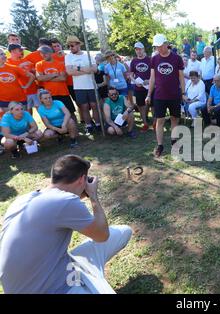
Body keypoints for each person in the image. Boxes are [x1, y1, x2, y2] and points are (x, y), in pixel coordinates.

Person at [0, 154, 132, 293]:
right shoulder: (65, 201)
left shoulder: (22, 199)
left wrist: (78, 193)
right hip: (55, 289)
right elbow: (102, 235)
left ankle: (89, 280)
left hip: (37, 279)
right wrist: (92, 195)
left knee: (123, 232)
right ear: (82, 180)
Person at [145, 34, 185, 158]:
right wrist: (148, 94)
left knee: (174, 119)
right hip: (159, 95)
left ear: (166, 43)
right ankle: (160, 145)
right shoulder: (154, 59)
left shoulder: (177, 58)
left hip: (174, 95)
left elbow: (181, 77)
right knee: (160, 120)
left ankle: (174, 142)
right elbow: (152, 78)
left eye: (161, 45)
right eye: (157, 46)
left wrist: (183, 93)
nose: (159, 48)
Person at [64, 36, 100, 136]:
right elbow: (70, 72)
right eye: (68, 46)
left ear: (78, 44)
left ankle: (98, 124)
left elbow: (94, 69)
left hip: (91, 85)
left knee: (94, 106)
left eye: (72, 45)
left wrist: (78, 68)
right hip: (79, 87)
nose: (70, 48)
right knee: (84, 107)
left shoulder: (88, 54)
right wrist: (86, 70)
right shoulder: (68, 57)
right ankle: (88, 126)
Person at [35, 45, 77, 122]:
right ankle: (56, 129)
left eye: (45, 53)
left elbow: (63, 78)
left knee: (70, 112)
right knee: (52, 113)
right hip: (49, 95)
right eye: (41, 53)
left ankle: (75, 128)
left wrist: (46, 77)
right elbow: (39, 78)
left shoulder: (60, 64)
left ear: (51, 53)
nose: (43, 55)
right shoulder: (39, 64)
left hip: (63, 92)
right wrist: (54, 74)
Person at [6, 44, 39, 114]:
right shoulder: (7, 62)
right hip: (21, 93)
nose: (22, 52)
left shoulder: (26, 60)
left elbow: (35, 75)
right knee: (26, 113)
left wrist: (34, 70)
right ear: (13, 51)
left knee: (42, 111)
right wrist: (20, 66)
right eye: (20, 50)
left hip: (34, 90)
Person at [0, 48, 34, 113]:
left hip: (20, 99)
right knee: (8, 121)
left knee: (24, 120)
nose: (5, 56)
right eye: (1, 54)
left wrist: (26, 86)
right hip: (4, 101)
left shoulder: (14, 67)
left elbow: (32, 76)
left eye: (4, 54)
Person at [130, 42, 152, 132]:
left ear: (143, 49)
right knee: (140, 105)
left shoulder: (149, 60)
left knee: (150, 104)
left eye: (140, 49)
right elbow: (131, 75)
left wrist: (149, 80)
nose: (138, 51)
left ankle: (154, 122)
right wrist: (135, 82)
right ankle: (145, 123)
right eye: (136, 49)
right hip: (138, 87)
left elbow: (154, 73)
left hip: (149, 87)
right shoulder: (134, 61)